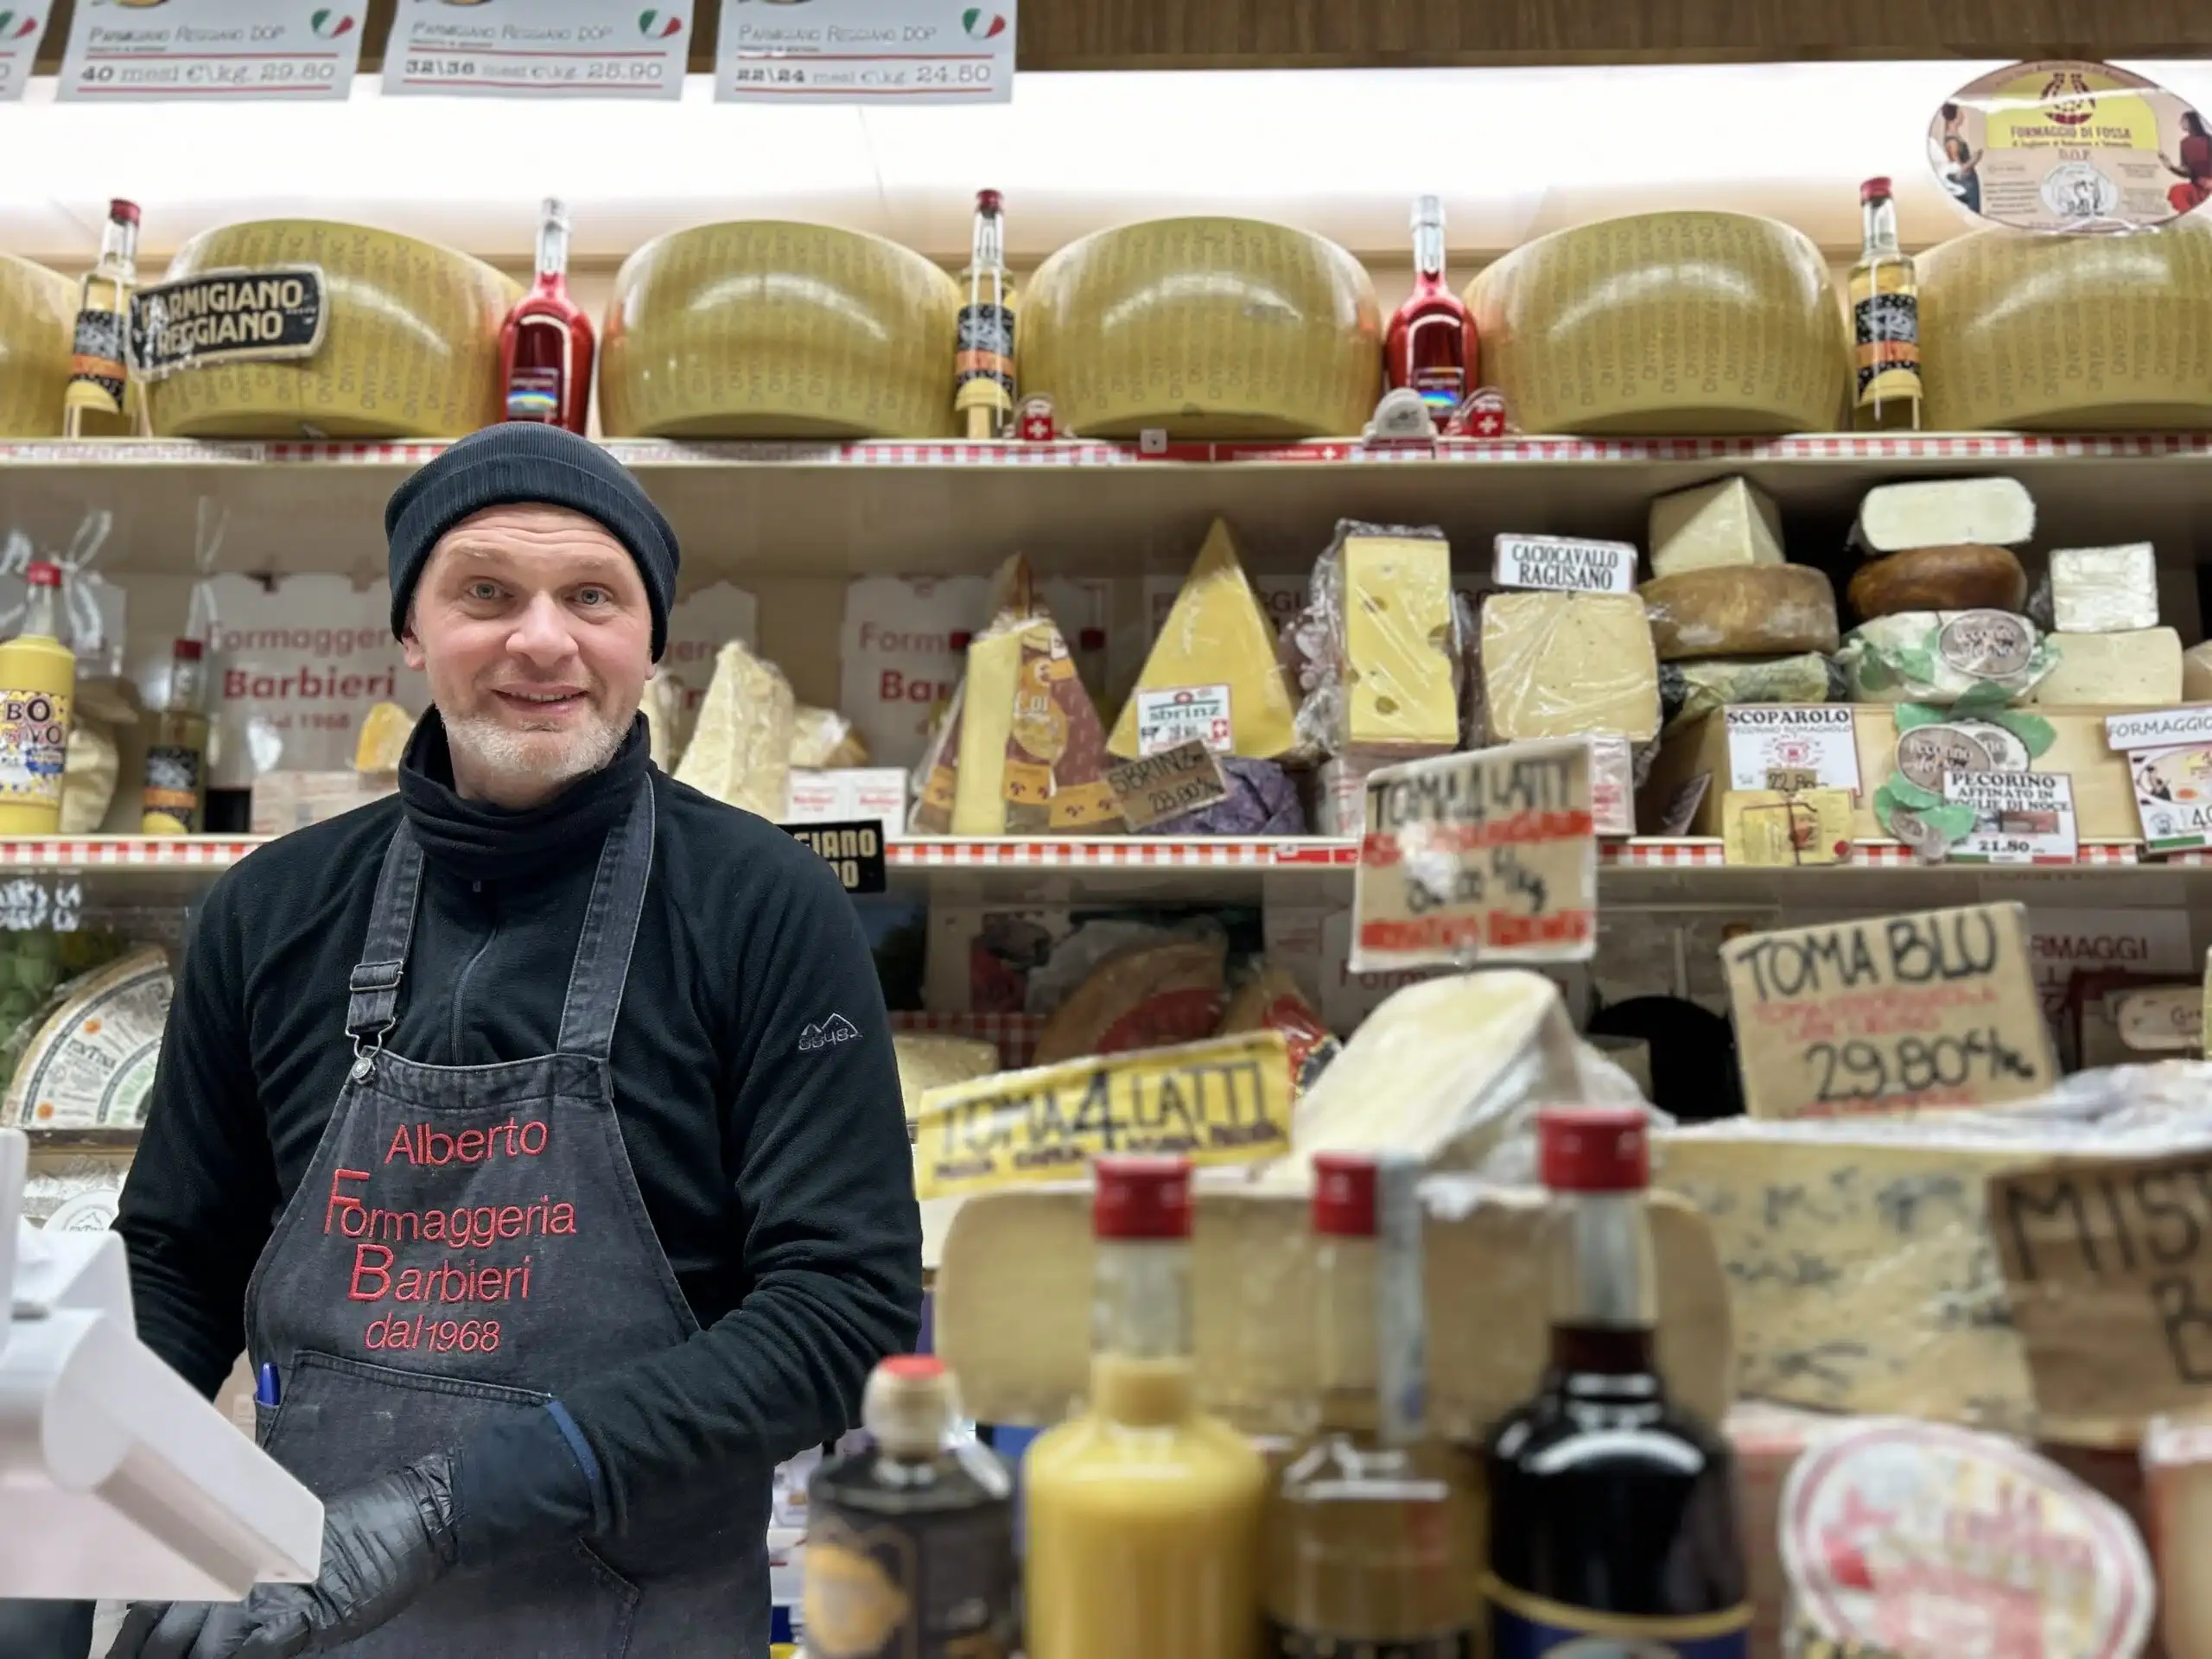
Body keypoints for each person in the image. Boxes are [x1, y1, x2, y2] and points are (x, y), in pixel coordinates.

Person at [20, 423, 923, 1657]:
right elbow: (177, 1264)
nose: (541, 638)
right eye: (486, 593)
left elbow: (839, 1310)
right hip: (297, 1624)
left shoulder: (765, 907)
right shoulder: (272, 910)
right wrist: (58, 1529)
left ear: (650, 639)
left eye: (592, 596)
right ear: (413, 631)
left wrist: (448, 1509)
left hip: (631, 1628)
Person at [2167, 110, 2212, 214]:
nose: (2180, 124)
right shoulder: (2184, 143)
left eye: (2183, 120)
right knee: (2177, 191)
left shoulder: (2208, 140)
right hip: (2197, 187)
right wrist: (2170, 166)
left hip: (2209, 187)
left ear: (2192, 121)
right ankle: (2189, 216)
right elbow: (2187, 172)